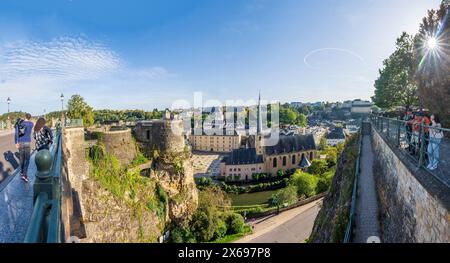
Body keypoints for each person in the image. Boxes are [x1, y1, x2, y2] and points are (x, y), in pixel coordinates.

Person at [14, 113, 34, 182]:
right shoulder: (31, 124)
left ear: (25, 117)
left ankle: (22, 172)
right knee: (27, 159)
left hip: (20, 143)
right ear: (30, 117)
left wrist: (16, 142)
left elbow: (16, 134)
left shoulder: (19, 123)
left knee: (22, 158)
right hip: (27, 143)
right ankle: (24, 174)